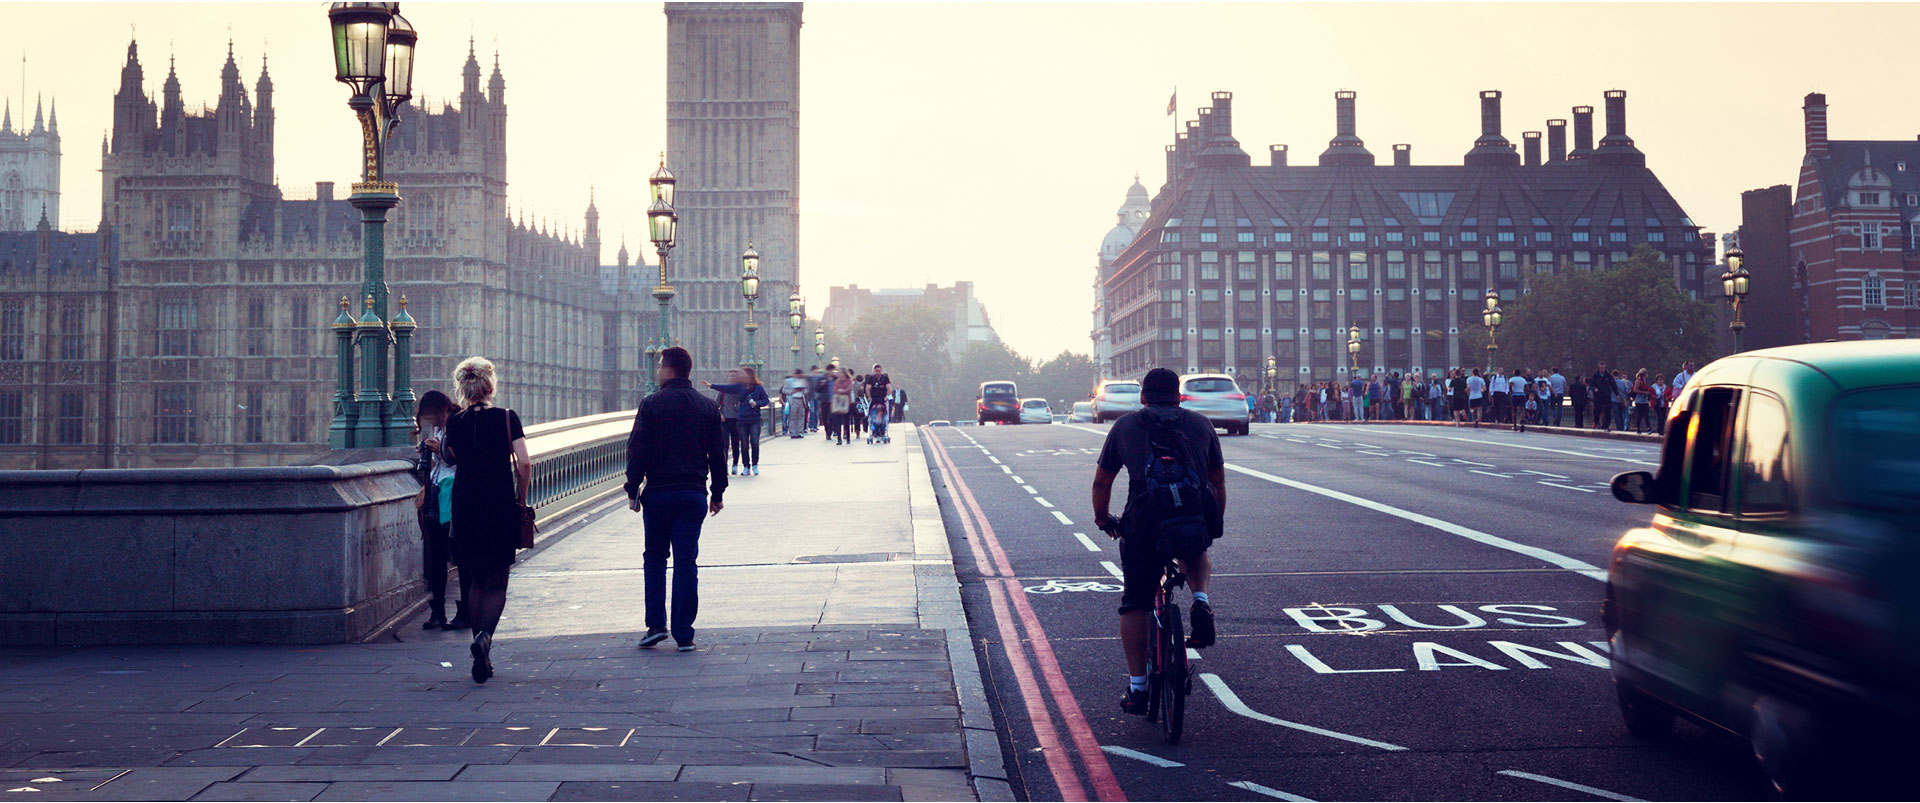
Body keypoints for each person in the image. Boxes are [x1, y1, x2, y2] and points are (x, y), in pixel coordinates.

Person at [1089, 367, 1224, 716]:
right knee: (1196, 548)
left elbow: (1103, 482)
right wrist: (1213, 524)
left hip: (1143, 525)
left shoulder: (1127, 426)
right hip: (1190, 520)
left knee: (1135, 602)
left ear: (1144, 397)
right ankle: (1200, 599)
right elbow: (1217, 481)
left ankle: (1138, 689)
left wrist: (1104, 520)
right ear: (1179, 396)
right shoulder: (1200, 425)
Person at [624, 346, 728, 653]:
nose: (656, 372)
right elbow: (718, 455)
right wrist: (718, 493)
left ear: (668, 370)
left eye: (659, 367)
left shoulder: (651, 404)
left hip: (658, 493)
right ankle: (685, 634)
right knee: (686, 562)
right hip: (693, 493)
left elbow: (637, 450)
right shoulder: (707, 407)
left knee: (655, 558)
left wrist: (633, 489)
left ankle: (656, 626)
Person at [441, 357, 532, 684]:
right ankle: (484, 639)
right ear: (490, 385)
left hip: (464, 507)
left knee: (475, 581)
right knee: (497, 581)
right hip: (497, 505)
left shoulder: (454, 423)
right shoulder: (507, 418)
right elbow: (523, 463)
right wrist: (521, 500)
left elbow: (450, 457)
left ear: (463, 387)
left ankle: (483, 649)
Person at [411, 390, 463, 631]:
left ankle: (464, 612)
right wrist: (428, 452)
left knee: (460, 555)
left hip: (454, 494)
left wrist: (440, 449)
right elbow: (438, 463)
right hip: (436, 491)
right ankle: (438, 612)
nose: (433, 422)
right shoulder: (439, 429)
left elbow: (459, 458)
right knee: (435, 556)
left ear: (444, 409)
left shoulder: (458, 422)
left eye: (434, 417)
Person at [706, 366, 770, 475]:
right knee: (741, 444)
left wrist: (757, 403)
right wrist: (711, 385)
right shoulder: (739, 387)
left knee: (753, 442)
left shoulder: (758, 388)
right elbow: (724, 389)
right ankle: (745, 466)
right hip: (739, 419)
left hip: (752, 419)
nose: (741, 377)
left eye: (743, 374)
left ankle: (753, 464)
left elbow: (766, 400)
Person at [781, 369, 810, 438]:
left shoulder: (803, 381)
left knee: (801, 416)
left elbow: (807, 390)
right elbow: (784, 390)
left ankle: (799, 432)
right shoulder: (789, 381)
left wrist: (803, 390)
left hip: (801, 399)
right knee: (793, 416)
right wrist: (793, 391)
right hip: (793, 399)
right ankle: (793, 432)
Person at [1589, 361, 1614, 432]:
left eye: (1603, 368)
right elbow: (1591, 384)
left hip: (1607, 395)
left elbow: (1613, 384)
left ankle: (1606, 425)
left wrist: (1616, 394)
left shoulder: (1608, 376)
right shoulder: (1595, 376)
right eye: (1601, 368)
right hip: (1598, 395)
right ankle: (1596, 422)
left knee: (1608, 411)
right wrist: (1594, 388)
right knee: (1597, 410)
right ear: (1598, 368)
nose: (1602, 369)